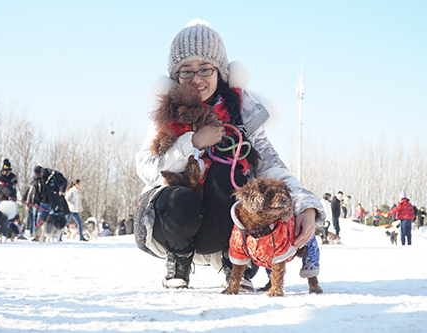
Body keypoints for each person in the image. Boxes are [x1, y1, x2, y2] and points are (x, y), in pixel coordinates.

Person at [135, 21, 325, 289]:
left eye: (205, 69)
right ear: (175, 77)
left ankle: (233, 263)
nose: (196, 79)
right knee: (179, 196)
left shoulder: (242, 114)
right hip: (174, 223)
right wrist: (192, 143)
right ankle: (178, 260)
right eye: (186, 71)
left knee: (230, 174)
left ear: (221, 72)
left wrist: (305, 205)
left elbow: (272, 167)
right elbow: (145, 167)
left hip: (224, 226)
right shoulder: (165, 115)